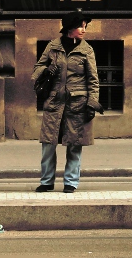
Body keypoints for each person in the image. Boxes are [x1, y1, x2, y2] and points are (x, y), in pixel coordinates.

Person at [31, 11, 102, 194]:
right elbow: (37, 68)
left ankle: (71, 182)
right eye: (81, 26)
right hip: (54, 102)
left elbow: (93, 80)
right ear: (70, 27)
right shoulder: (53, 47)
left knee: (74, 144)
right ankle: (46, 181)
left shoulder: (86, 50)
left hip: (77, 104)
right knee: (48, 144)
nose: (84, 30)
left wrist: (92, 103)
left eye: (85, 26)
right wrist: (46, 71)